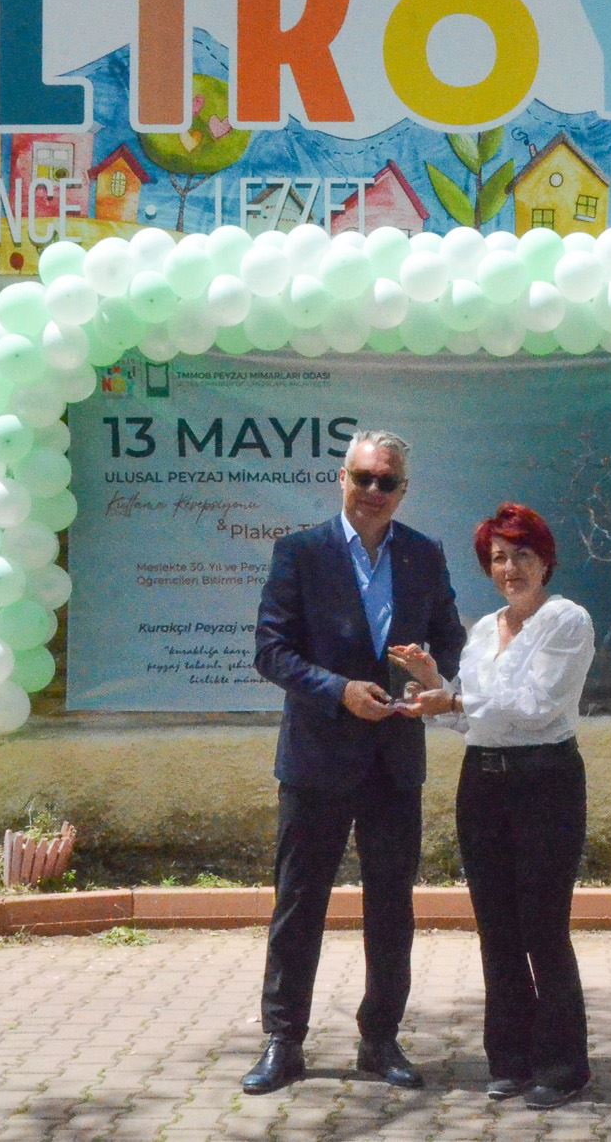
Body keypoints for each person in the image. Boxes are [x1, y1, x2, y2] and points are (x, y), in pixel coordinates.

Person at [240, 429, 465, 1095]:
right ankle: (284, 1042)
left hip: (394, 760)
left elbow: (450, 639)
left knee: (391, 907)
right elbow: (271, 651)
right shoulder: (300, 553)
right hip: (317, 759)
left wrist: (429, 677)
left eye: (386, 482)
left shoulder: (423, 554)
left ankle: (380, 1039)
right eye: (362, 477)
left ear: (403, 490)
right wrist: (337, 690)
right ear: (342, 479)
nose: (373, 491)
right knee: (298, 904)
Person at [391, 503, 597, 1111]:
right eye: (499, 558)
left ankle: (564, 1066)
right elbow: (474, 720)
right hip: (482, 784)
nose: (511, 568)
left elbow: (533, 707)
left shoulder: (566, 621)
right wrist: (434, 683)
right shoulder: (484, 630)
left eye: (522, 555)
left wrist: (452, 702)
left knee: (543, 927)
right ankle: (510, 1059)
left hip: (545, 782)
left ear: (545, 561)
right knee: (497, 929)